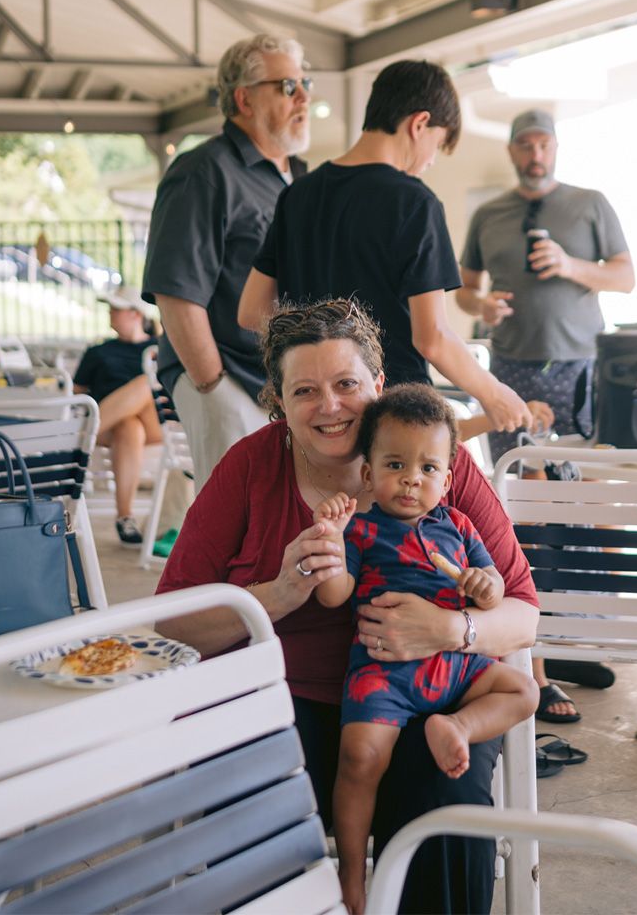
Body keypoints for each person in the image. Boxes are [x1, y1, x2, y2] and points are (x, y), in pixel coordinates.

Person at [154, 299, 539, 915]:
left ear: (378, 386)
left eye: (346, 384)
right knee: (252, 801)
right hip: (283, 700)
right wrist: (277, 595)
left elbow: (522, 612)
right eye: (305, 390)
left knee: (447, 797)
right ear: (278, 401)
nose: (329, 406)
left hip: (431, 696)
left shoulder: (438, 461)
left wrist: (453, 627)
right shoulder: (249, 470)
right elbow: (173, 626)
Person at [313, 384, 538, 914]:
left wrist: (484, 586)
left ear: (447, 479)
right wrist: (328, 539)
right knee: (359, 758)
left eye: (427, 468)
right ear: (367, 474)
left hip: (455, 668)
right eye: (395, 464)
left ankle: (456, 727)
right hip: (383, 673)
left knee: (523, 691)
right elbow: (333, 595)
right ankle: (351, 873)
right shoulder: (363, 532)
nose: (412, 478)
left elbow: (495, 587)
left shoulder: (458, 526)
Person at [238, 58, 532, 438]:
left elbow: (251, 312)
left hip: (318, 414)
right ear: (419, 124)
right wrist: (495, 394)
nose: (429, 161)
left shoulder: (298, 195)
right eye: (437, 145)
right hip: (395, 414)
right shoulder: (415, 203)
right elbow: (433, 337)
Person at [455, 108, 634, 721]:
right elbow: (462, 288)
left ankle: (571, 643)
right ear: (511, 150)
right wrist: (484, 305)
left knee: (583, 517)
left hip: (583, 371)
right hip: (513, 372)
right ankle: (539, 659)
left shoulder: (591, 204)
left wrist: (569, 266)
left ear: (555, 147)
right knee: (522, 520)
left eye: (543, 143)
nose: (535, 153)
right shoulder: (488, 214)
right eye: (525, 144)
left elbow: (626, 276)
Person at [142, 33, 310, 488]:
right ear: (245, 99)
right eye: (288, 86)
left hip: (289, 384)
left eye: (305, 83)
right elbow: (175, 291)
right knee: (236, 528)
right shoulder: (203, 172)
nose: (305, 98)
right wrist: (213, 388)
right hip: (228, 380)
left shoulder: (299, 177)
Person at [73, 285, 160, 544]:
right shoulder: (98, 351)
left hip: (157, 422)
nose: (110, 313)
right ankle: (125, 518)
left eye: (117, 309)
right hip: (113, 430)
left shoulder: (160, 348)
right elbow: (77, 395)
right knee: (129, 427)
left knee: (146, 383)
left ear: (135, 314)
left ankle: (75, 438)